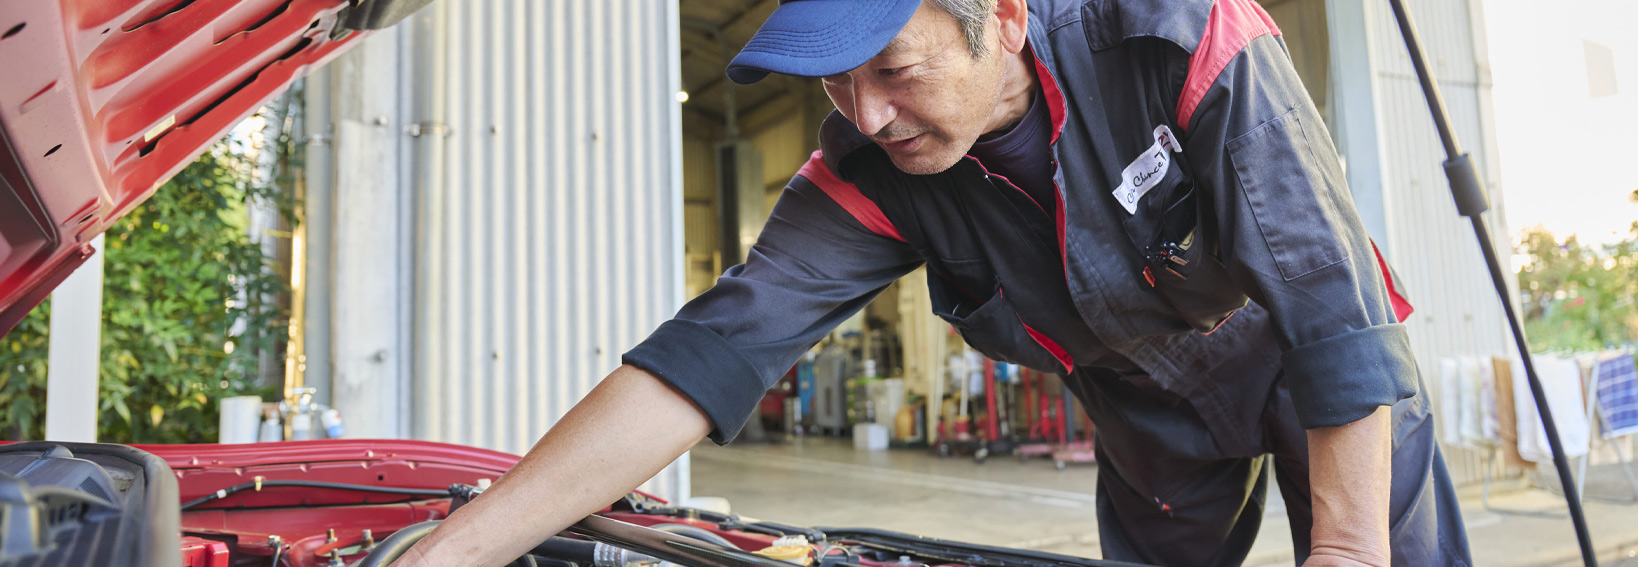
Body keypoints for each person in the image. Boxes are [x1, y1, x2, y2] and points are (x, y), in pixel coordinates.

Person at [395, 1, 1471, 566]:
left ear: (999, 17)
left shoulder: (1179, 34)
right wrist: (460, 550)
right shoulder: (871, 169)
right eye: (837, 80)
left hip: (1318, 379)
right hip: (1144, 419)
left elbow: (1330, 306)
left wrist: (1341, 550)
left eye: (895, 72)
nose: (863, 116)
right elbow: (710, 352)